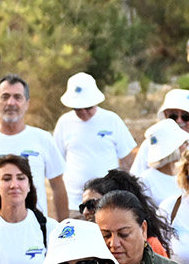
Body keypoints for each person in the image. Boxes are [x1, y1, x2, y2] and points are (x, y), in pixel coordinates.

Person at [0, 75, 70, 218]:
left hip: (35, 227)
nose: (11, 103)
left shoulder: (43, 139)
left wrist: (64, 226)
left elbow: (58, 186)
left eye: (17, 97)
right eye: (5, 97)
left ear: (27, 103)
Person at [54, 72, 136, 200]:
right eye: (77, 108)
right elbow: (57, 162)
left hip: (108, 199)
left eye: (87, 107)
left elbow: (127, 161)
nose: (83, 112)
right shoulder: (64, 123)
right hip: (73, 199)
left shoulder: (112, 120)